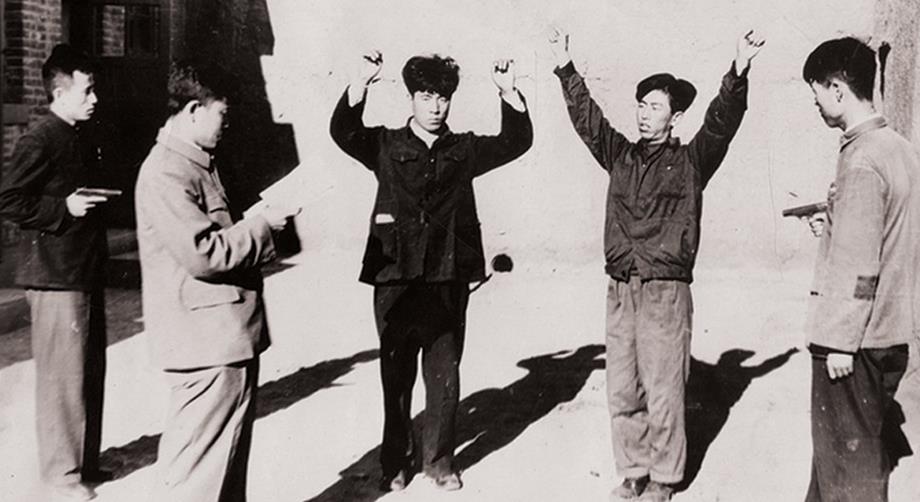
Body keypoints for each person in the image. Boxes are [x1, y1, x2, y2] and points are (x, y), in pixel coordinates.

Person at [548, 27, 764, 501]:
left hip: (665, 291)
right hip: (621, 286)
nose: (644, 114)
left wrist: (738, 70)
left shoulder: (691, 162)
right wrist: (565, 67)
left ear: (675, 116)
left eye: (654, 107)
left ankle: (664, 478)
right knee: (623, 387)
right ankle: (633, 471)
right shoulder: (620, 156)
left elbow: (721, 123)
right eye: (641, 106)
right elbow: (589, 121)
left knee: (664, 388)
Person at [329, 51, 533, 492]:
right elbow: (344, 132)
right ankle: (395, 463)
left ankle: (439, 462)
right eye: (426, 96)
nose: (436, 106)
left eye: (443, 97)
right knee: (395, 375)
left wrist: (508, 93)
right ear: (411, 98)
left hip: (446, 276)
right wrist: (360, 82)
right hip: (395, 277)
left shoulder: (465, 149)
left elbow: (516, 142)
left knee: (444, 374)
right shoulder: (385, 145)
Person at [134, 60, 300, 502]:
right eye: (221, 114)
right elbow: (204, 252)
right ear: (193, 111)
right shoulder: (168, 171)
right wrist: (262, 226)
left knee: (223, 470)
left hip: (221, 339)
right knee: (197, 478)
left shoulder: (193, 162)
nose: (227, 124)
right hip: (205, 345)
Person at [800, 36, 920, 502]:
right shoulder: (899, 149)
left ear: (836, 88)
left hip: (856, 342)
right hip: (889, 331)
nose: (816, 104)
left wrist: (839, 342)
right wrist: (833, 221)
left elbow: (860, 263)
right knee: (841, 464)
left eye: (816, 92)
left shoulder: (862, 158)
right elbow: (887, 235)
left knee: (848, 473)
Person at [0, 44, 111, 502]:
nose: (94, 99)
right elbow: (9, 200)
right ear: (60, 93)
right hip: (55, 276)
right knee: (62, 378)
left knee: (88, 371)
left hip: (82, 270)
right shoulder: (40, 138)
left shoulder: (77, 133)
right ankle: (60, 476)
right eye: (87, 91)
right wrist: (62, 208)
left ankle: (84, 462)